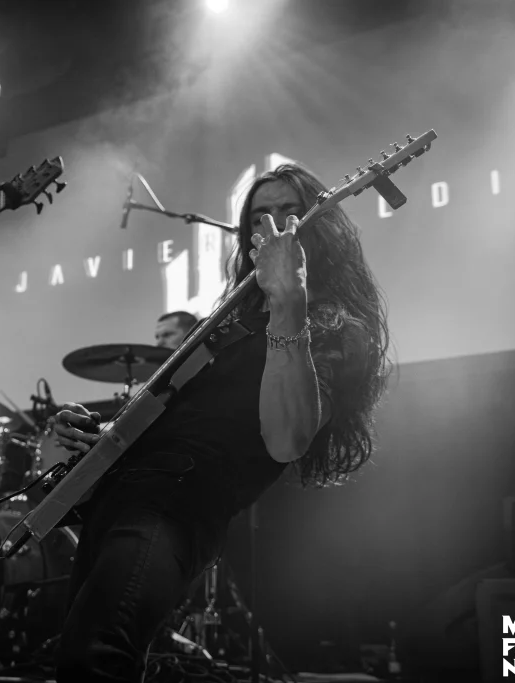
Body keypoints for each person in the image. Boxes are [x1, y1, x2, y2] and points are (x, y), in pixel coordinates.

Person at [51, 163, 392, 682]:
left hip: (177, 503)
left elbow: (286, 439)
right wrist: (100, 437)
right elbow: (185, 416)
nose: (273, 227)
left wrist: (289, 301)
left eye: (290, 212)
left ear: (321, 226)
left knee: (95, 655)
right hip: (121, 494)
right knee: (80, 660)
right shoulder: (234, 319)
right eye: (259, 217)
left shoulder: (338, 327)